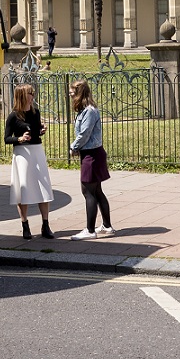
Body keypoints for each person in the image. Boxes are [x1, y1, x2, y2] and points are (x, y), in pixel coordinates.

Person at [4, 84, 54, 239]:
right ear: (22, 96)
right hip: (22, 154)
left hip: (37, 151)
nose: (33, 96)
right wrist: (19, 138)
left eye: (33, 93)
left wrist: (41, 131)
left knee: (43, 187)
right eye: (30, 93)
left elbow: (36, 130)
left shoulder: (35, 113)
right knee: (24, 189)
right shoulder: (13, 116)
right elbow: (7, 138)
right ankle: (25, 224)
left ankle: (45, 225)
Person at [68, 80, 112, 240]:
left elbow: (85, 133)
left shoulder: (89, 111)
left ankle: (90, 230)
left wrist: (73, 147)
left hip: (92, 155)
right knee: (97, 191)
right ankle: (107, 226)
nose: (70, 95)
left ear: (80, 93)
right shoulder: (85, 111)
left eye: (72, 92)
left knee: (87, 191)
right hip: (92, 153)